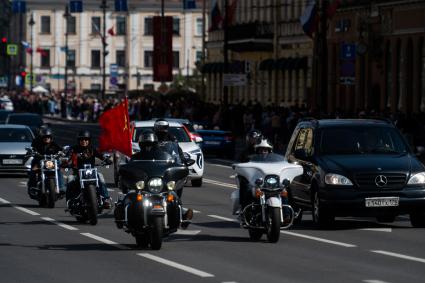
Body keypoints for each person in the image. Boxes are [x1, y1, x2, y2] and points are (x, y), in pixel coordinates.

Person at [127, 131, 193, 226]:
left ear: (155, 144)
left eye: (150, 145)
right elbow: (130, 168)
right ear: (141, 145)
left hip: (157, 184)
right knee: (130, 196)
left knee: (173, 195)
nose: (148, 147)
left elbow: (169, 164)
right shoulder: (136, 157)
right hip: (143, 186)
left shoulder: (162, 155)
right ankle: (125, 215)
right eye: (145, 145)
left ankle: (181, 216)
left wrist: (177, 167)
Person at [66, 130, 112, 209]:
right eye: (81, 140)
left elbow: (101, 155)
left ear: (89, 140)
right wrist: (65, 160)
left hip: (92, 173)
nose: (84, 141)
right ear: (79, 141)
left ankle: (105, 199)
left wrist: (106, 159)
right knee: (70, 179)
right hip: (78, 173)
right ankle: (70, 201)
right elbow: (67, 156)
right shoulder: (74, 149)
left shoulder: (92, 149)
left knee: (100, 176)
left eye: (86, 139)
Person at [28, 128, 65, 199]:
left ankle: (61, 188)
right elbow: (32, 148)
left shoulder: (54, 144)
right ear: (42, 137)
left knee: (58, 169)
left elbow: (60, 149)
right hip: (39, 161)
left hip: (51, 162)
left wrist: (62, 152)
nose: (46, 138)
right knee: (33, 169)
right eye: (45, 137)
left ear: (51, 137)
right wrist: (31, 152)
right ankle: (32, 187)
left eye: (48, 137)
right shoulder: (37, 142)